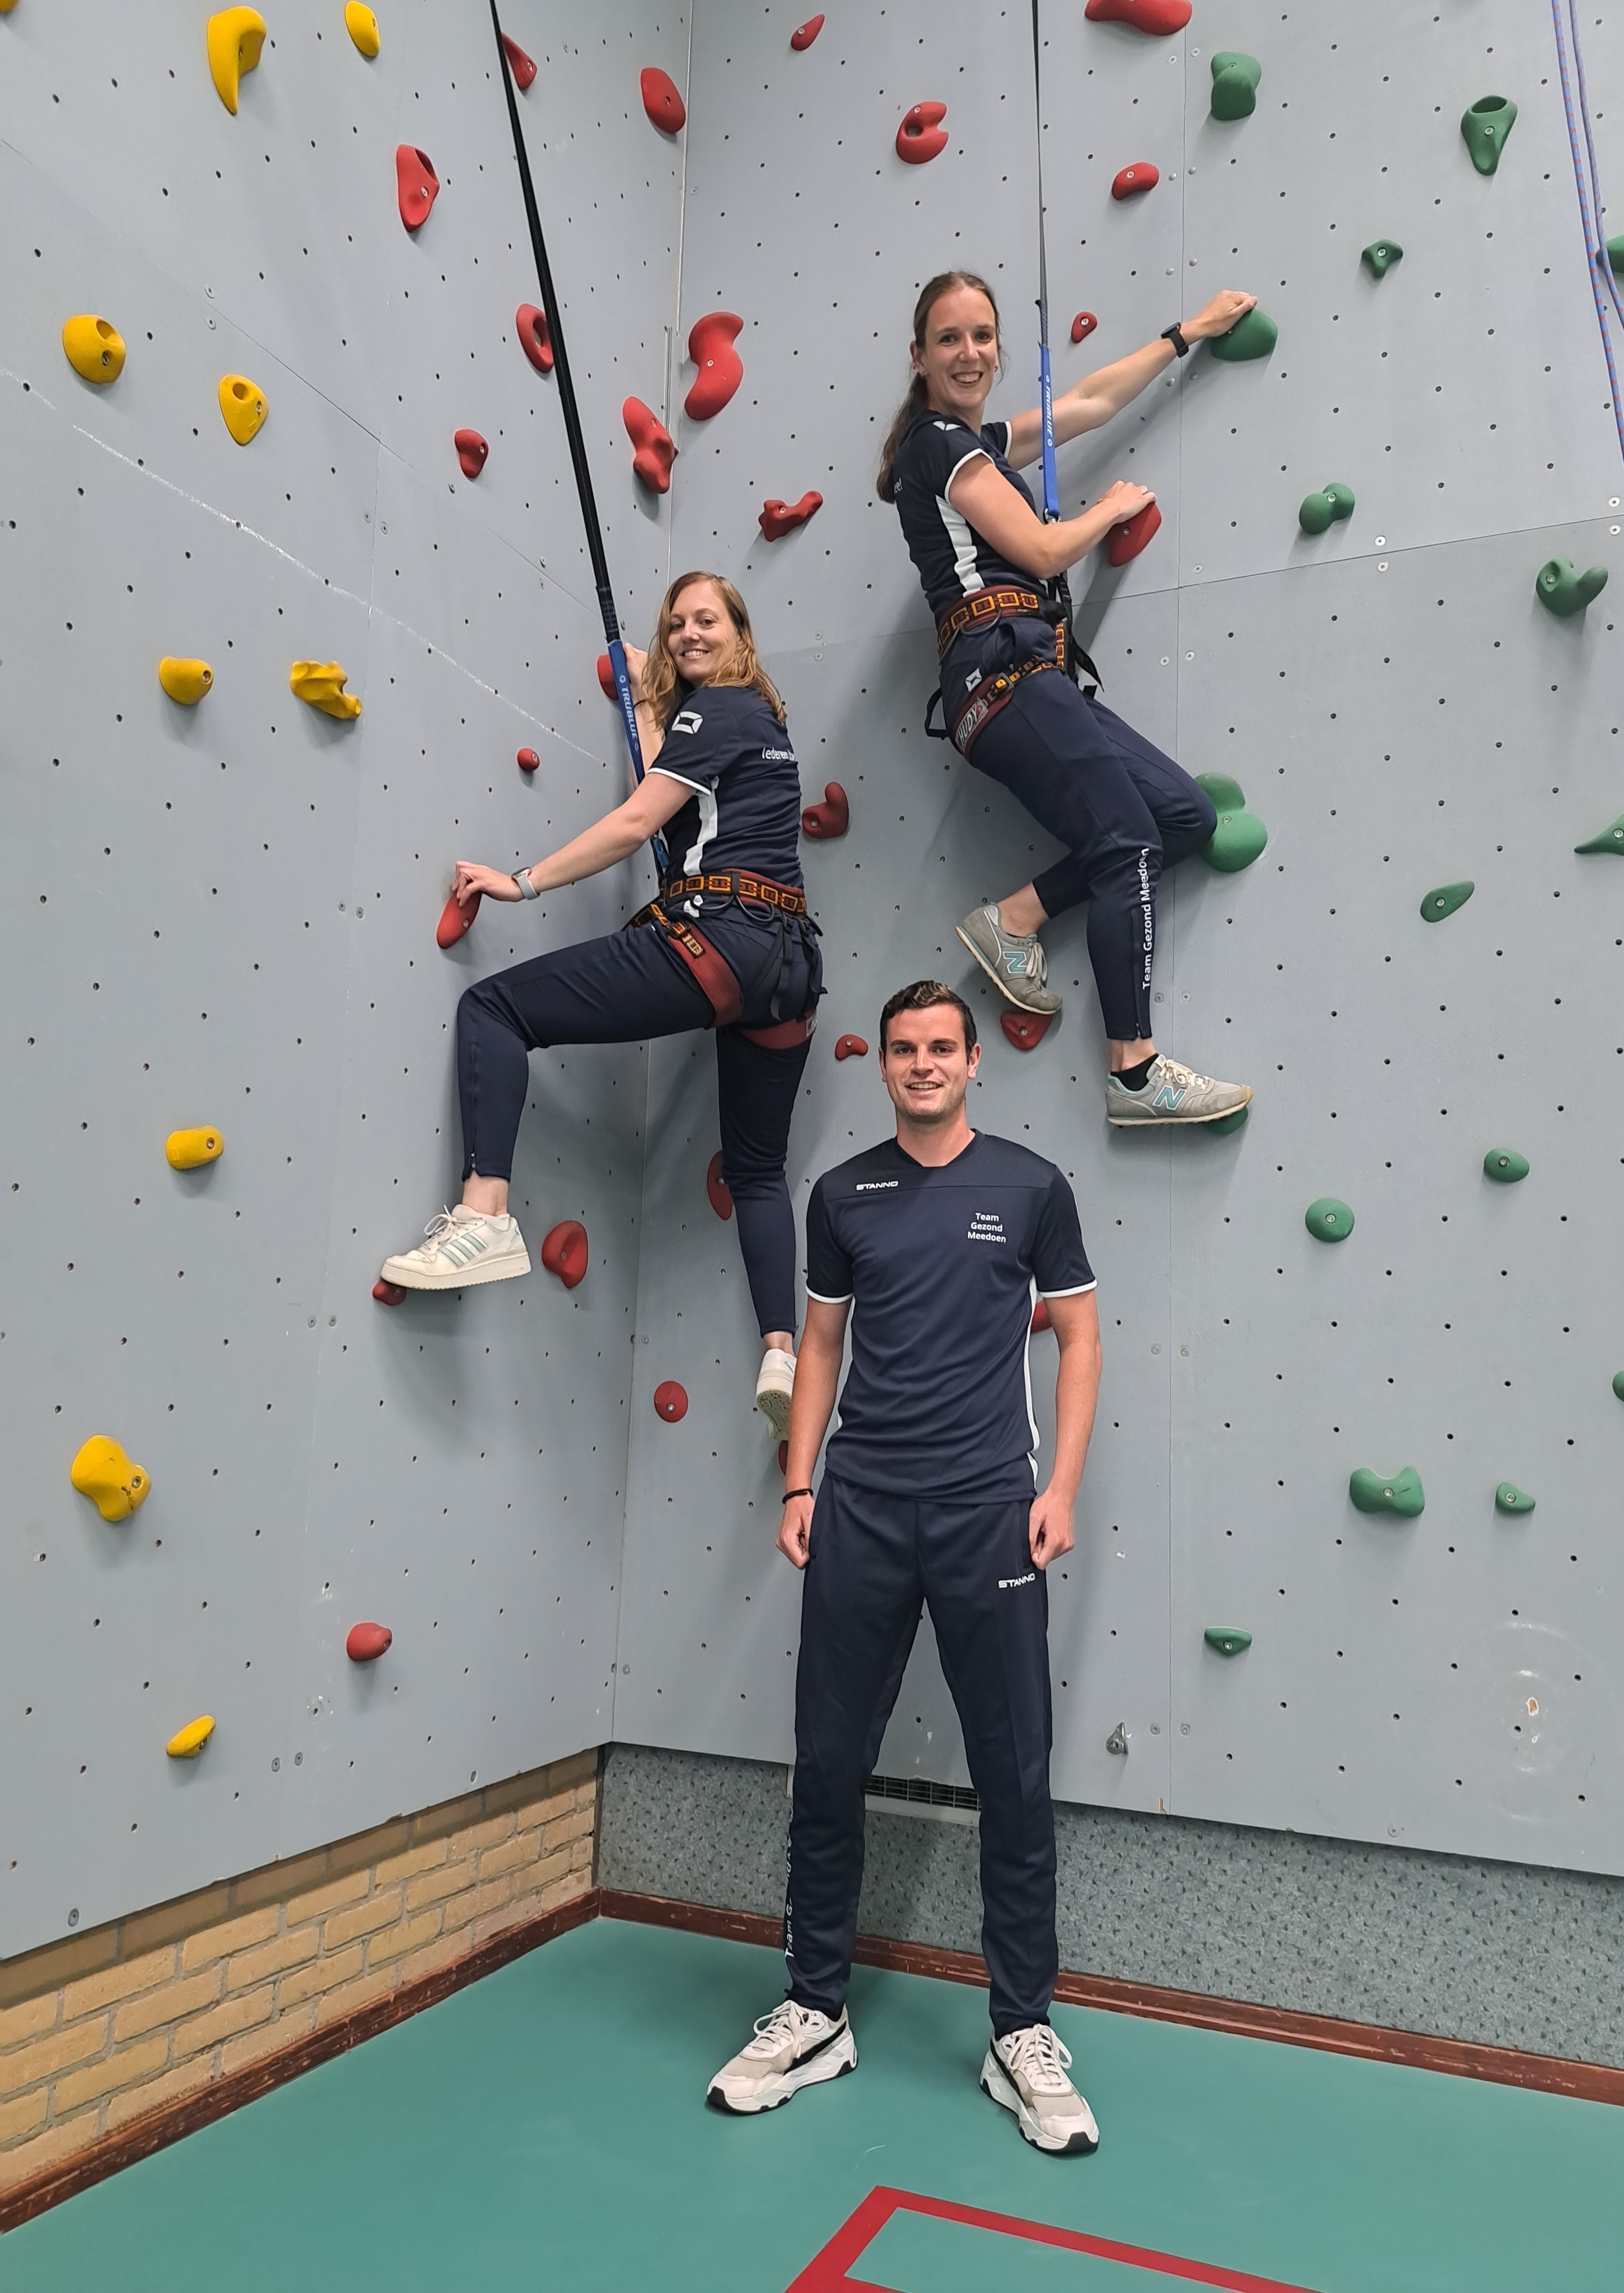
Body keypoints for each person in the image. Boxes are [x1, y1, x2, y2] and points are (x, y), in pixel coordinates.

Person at [707, 981, 1104, 2154]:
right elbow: (820, 1343)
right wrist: (799, 1480)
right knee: (828, 1761)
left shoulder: (1033, 1188)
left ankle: (1020, 2030)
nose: (923, 1063)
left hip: (990, 1511)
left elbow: (1079, 1335)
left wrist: (1061, 1489)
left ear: (976, 1060)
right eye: (903, 1049)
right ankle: (816, 2007)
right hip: (863, 1510)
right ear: (882, 1065)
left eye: (943, 1047)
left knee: (1014, 1775)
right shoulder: (844, 1194)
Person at [377, 573, 822, 1438]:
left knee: (495, 1012)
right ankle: (782, 1350)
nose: (691, 632)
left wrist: (522, 881)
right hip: (789, 970)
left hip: (715, 941)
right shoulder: (763, 724)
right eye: (677, 623)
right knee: (758, 1169)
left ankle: (486, 1217)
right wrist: (645, 690)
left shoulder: (720, 709)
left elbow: (635, 821)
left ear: (742, 633)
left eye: (708, 620)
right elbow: (670, 790)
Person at [880, 270, 1258, 1128]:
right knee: (1124, 840)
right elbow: (1045, 553)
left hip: (1031, 677)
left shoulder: (977, 443)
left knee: (1182, 820)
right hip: (999, 673)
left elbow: (1087, 401)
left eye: (983, 336)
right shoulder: (937, 445)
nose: (970, 353)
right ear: (920, 357)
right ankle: (1134, 1070)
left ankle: (1015, 919)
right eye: (949, 339)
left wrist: (1186, 331)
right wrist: (1111, 507)